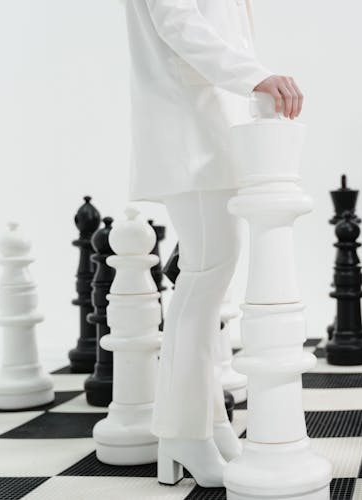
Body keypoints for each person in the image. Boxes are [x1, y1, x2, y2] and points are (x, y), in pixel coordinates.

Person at [124, 0, 303, 488]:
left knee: (208, 277)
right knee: (204, 278)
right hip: (190, 130)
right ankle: (184, 432)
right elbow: (179, 24)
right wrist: (257, 76)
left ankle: (208, 422)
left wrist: (252, 81)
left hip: (210, 131)